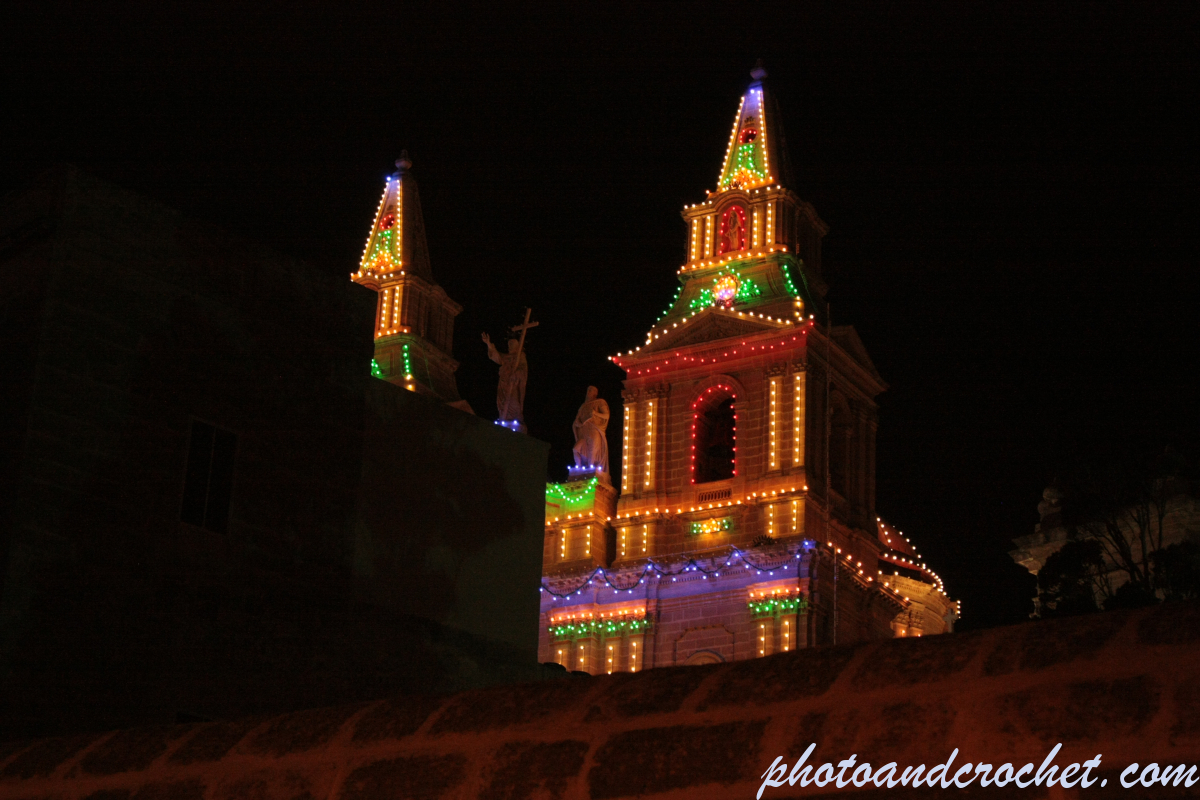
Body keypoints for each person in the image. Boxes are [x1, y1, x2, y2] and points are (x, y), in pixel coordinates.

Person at [482, 333, 527, 426]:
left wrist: (516, 374)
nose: (510, 347)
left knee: (514, 403)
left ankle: (516, 421)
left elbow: (523, 370)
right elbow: (497, 356)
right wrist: (488, 343)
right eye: (509, 345)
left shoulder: (520, 357)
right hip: (503, 384)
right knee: (502, 403)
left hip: (513, 384)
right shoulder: (506, 357)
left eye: (512, 345)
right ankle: (503, 418)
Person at [572, 386, 610, 476]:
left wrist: (595, 413)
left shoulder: (600, 402)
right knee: (575, 449)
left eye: (591, 390)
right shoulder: (583, 406)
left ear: (595, 393)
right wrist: (576, 423)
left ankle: (590, 470)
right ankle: (579, 469)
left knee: (591, 451)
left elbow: (606, 415)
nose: (588, 392)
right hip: (583, 432)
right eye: (588, 390)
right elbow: (577, 419)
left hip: (594, 430)